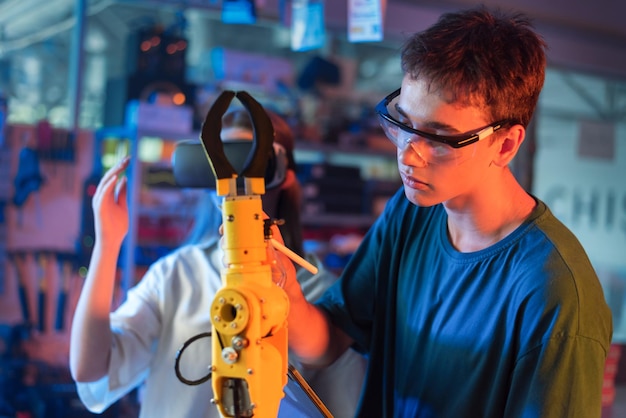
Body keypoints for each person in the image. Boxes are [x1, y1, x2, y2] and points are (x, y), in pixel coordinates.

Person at [283, 6, 613, 418]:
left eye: (438, 138)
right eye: (402, 123)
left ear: (506, 145)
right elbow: (327, 342)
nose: (408, 155)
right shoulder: (410, 214)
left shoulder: (555, 294)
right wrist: (283, 293)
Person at [69, 108, 366, 417]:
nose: (236, 179)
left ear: (283, 176)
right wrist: (107, 243)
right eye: (222, 164)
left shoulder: (322, 295)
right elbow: (92, 370)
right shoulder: (176, 275)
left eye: (251, 163)